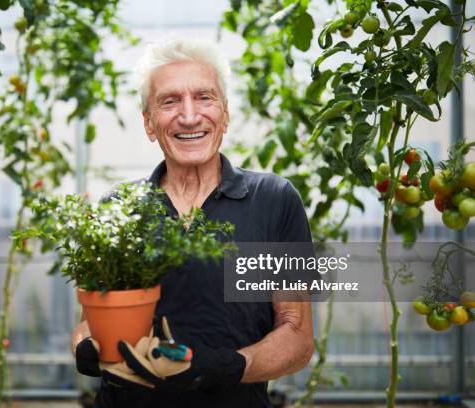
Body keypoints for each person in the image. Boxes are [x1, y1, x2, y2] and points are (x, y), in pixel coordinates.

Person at [71, 37, 314, 408]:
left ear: (225, 114)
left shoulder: (272, 201)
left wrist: (228, 366)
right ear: (149, 123)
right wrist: (88, 348)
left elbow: (296, 337)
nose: (188, 115)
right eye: (169, 101)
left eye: (204, 97)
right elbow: (92, 322)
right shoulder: (119, 209)